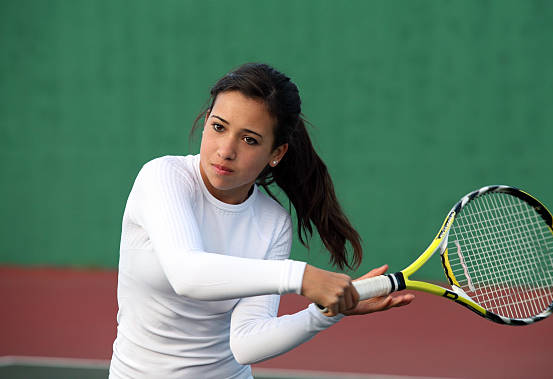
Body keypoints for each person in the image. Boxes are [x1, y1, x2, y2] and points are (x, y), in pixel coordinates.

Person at [109, 63, 414, 378]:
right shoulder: (163, 178)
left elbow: (247, 344)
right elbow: (187, 274)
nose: (226, 150)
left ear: (276, 152)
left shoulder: (272, 221)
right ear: (205, 123)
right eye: (219, 127)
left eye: (250, 140)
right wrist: (303, 276)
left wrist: (325, 313)